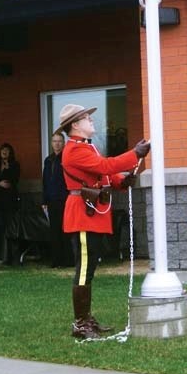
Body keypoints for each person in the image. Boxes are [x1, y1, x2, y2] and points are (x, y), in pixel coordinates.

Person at [56, 103, 150, 339]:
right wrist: (134, 154)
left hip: (90, 212)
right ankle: (80, 323)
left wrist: (120, 181)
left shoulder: (85, 147)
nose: (92, 121)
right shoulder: (75, 149)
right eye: (87, 118)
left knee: (89, 268)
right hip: (83, 214)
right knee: (84, 269)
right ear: (75, 125)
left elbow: (103, 174)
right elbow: (105, 166)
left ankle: (86, 319)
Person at [42, 132, 73, 268]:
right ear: (51, 143)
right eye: (54, 141)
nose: (57, 144)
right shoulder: (48, 160)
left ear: (63, 143)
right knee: (54, 231)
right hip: (51, 200)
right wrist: (44, 200)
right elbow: (45, 181)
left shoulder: (66, 158)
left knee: (65, 230)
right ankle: (56, 260)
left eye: (59, 141)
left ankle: (67, 260)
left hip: (64, 199)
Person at [0, 142, 20, 264]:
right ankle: (2, 254)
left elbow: (15, 179)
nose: (5, 152)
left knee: (11, 227)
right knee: (0, 226)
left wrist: (8, 169)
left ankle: (12, 255)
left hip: (11, 200)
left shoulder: (15, 165)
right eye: (3, 150)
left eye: (7, 150)